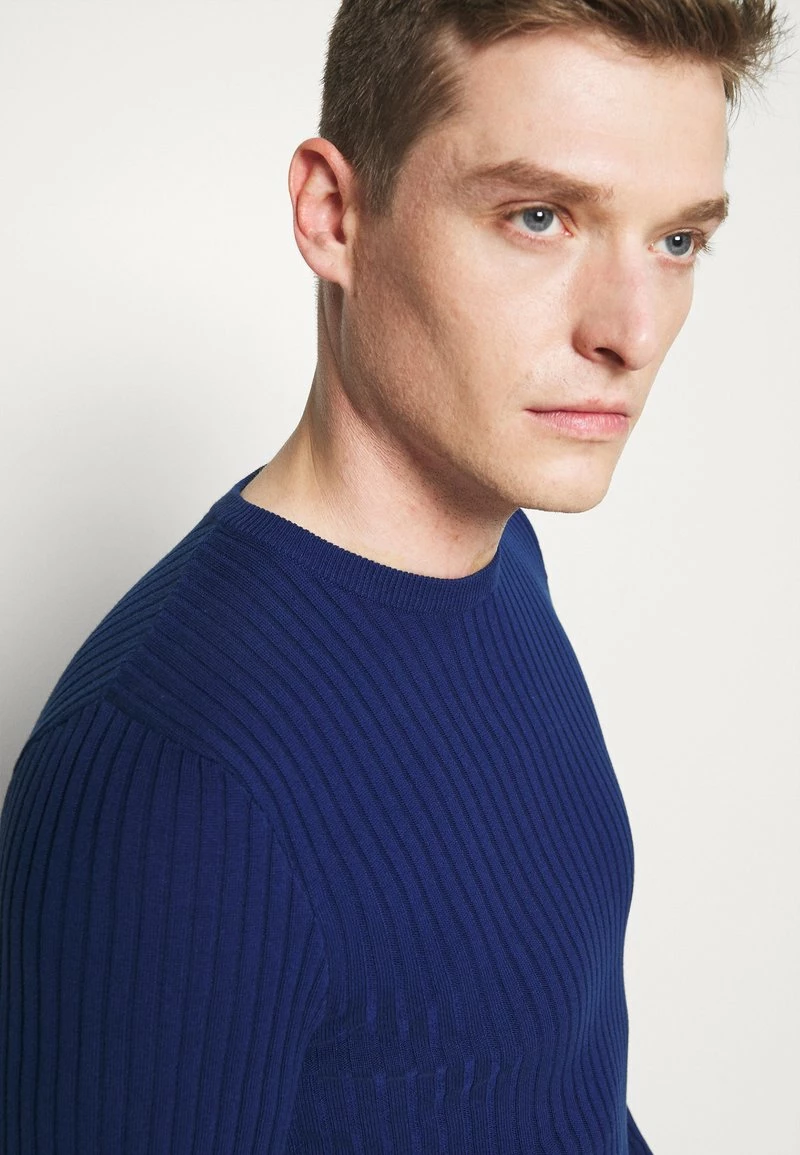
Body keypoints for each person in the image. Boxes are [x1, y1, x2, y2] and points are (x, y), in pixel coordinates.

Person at [0, 0, 786, 1151]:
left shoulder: (499, 560)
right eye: (537, 217)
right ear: (334, 213)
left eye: (674, 241)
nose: (630, 331)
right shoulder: (172, 782)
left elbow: (551, 1094)